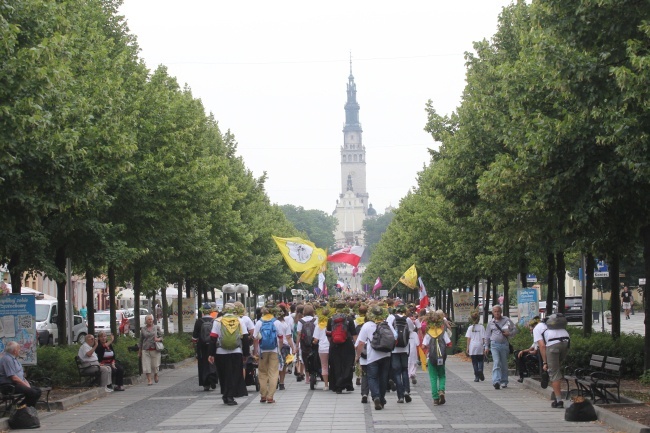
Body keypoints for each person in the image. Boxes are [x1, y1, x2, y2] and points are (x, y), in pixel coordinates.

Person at [355, 305, 396, 410]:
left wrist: (358, 356)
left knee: (372, 378)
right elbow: (395, 337)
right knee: (383, 378)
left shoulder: (367, 325)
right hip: (386, 355)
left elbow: (360, 343)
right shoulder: (386, 324)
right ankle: (381, 399)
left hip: (372, 357)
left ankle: (376, 397)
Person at [208, 303, 247, 405]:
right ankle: (230, 396)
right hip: (236, 351)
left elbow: (213, 338)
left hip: (220, 352)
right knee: (234, 374)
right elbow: (245, 337)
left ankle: (226, 394)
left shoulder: (218, 321)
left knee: (223, 374)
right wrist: (245, 354)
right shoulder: (240, 320)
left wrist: (211, 354)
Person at [534, 313, 570, 408]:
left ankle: (558, 401)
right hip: (566, 342)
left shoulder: (536, 328)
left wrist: (545, 362)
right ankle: (557, 381)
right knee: (557, 369)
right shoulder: (556, 323)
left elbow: (542, 346)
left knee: (554, 373)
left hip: (553, 345)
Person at [253, 305, 284, 403]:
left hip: (262, 350)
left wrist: (255, 351)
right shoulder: (277, 322)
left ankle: (263, 395)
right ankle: (270, 396)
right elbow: (280, 337)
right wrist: (280, 349)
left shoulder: (259, 322)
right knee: (273, 372)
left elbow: (255, 337)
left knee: (262, 372)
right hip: (274, 350)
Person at [327, 300, 357, 394]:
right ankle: (345, 383)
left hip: (334, 344)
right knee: (348, 364)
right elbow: (354, 335)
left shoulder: (330, 319)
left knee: (336, 365)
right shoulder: (349, 319)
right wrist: (356, 346)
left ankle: (337, 386)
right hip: (347, 344)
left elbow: (328, 334)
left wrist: (332, 342)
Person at [484, 305, 517, 389]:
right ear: (493, 313)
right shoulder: (491, 323)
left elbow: (515, 330)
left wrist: (509, 333)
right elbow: (487, 335)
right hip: (494, 344)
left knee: (504, 363)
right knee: (497, 362)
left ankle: (504, 381)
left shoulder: (506, 320)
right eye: (495, 311)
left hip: (504, 345)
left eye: (498, 311)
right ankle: (496, 381)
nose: (497, 313)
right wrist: (486, 347)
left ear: (501, 312)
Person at [423, 310, 451, 405]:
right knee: (442, 375)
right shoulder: (443, 332)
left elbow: (423, 346)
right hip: (441, 357)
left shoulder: (429, 333)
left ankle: (435, 398)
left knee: (433, 377)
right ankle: (441, 390)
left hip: (431, 357)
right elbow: (449, 344)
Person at [0, 341, 42, 406]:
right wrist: (25, 385)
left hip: (17, 384)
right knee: (32, 392)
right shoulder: (7, 359)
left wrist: (27, 383)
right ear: (15, 351)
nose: (20, 350)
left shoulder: (13, 359)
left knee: (38, 391)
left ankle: (22, 408)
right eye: (18, 349)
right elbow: (14, 377)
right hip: (9, 386)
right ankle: (22, 409)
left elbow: (20, 375)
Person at [387, 304, 413, 403]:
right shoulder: (408, 319)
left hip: (394, 349)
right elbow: (411, 330)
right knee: (404, 370)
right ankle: (406, 390)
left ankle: (400, 396)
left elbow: (388, 330)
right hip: (405, 348)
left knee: (397, 372)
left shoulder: (391, 317)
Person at [191, 304, 217, 391]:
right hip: (212, 345)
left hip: (201, 347)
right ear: (211, 311)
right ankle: (213, 379)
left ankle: (205, 383)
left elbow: (194, 337)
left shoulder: (199, 321)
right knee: (213, 362)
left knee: (203, 364)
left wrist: (194, 344)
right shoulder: (214, 321)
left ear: (202, 311)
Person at [138, 314, 163, 386]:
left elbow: (162, 337)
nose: (150, 320)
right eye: (149, 319)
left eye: (151, 319)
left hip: (155, 349)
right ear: (146, 321)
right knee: (146, 365)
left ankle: (155, 374)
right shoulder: (143, 329)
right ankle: (149, 380)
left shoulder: (156, 327)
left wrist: (158, 339)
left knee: (155, 365)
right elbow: (141, 340)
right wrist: (140, 351)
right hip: (145, 349)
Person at [515, 317, 541, 383]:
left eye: (531, 328)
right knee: (517, 353)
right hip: (535, 353)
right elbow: (531, 348)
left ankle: (523, 374)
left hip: (539, 356)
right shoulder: (535, 336)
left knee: (521, 357)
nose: (530, 330)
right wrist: (523, 351)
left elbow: (535, 352)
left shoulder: (538, 336)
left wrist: (528, 352)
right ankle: (523, 373)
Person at [464, 309, 486, 382]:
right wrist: (484, 347)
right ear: (479, 319)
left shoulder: (470, 328)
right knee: (480, 361)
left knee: (474, 362)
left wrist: (467, 348)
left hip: (472, 346)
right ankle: (480, 370)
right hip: (480, 345)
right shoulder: (481, 327)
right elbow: (483, 338)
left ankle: (476, 376)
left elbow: (468, 339)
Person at [314, 306, 331, 391]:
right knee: (333, 365)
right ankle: (333, 383)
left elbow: (316, 340)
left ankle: (326, 385)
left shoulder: (318, 326)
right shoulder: (331, 324)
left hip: (322, 348)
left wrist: (313, 343)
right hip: (331, 347)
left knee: (324, 366)